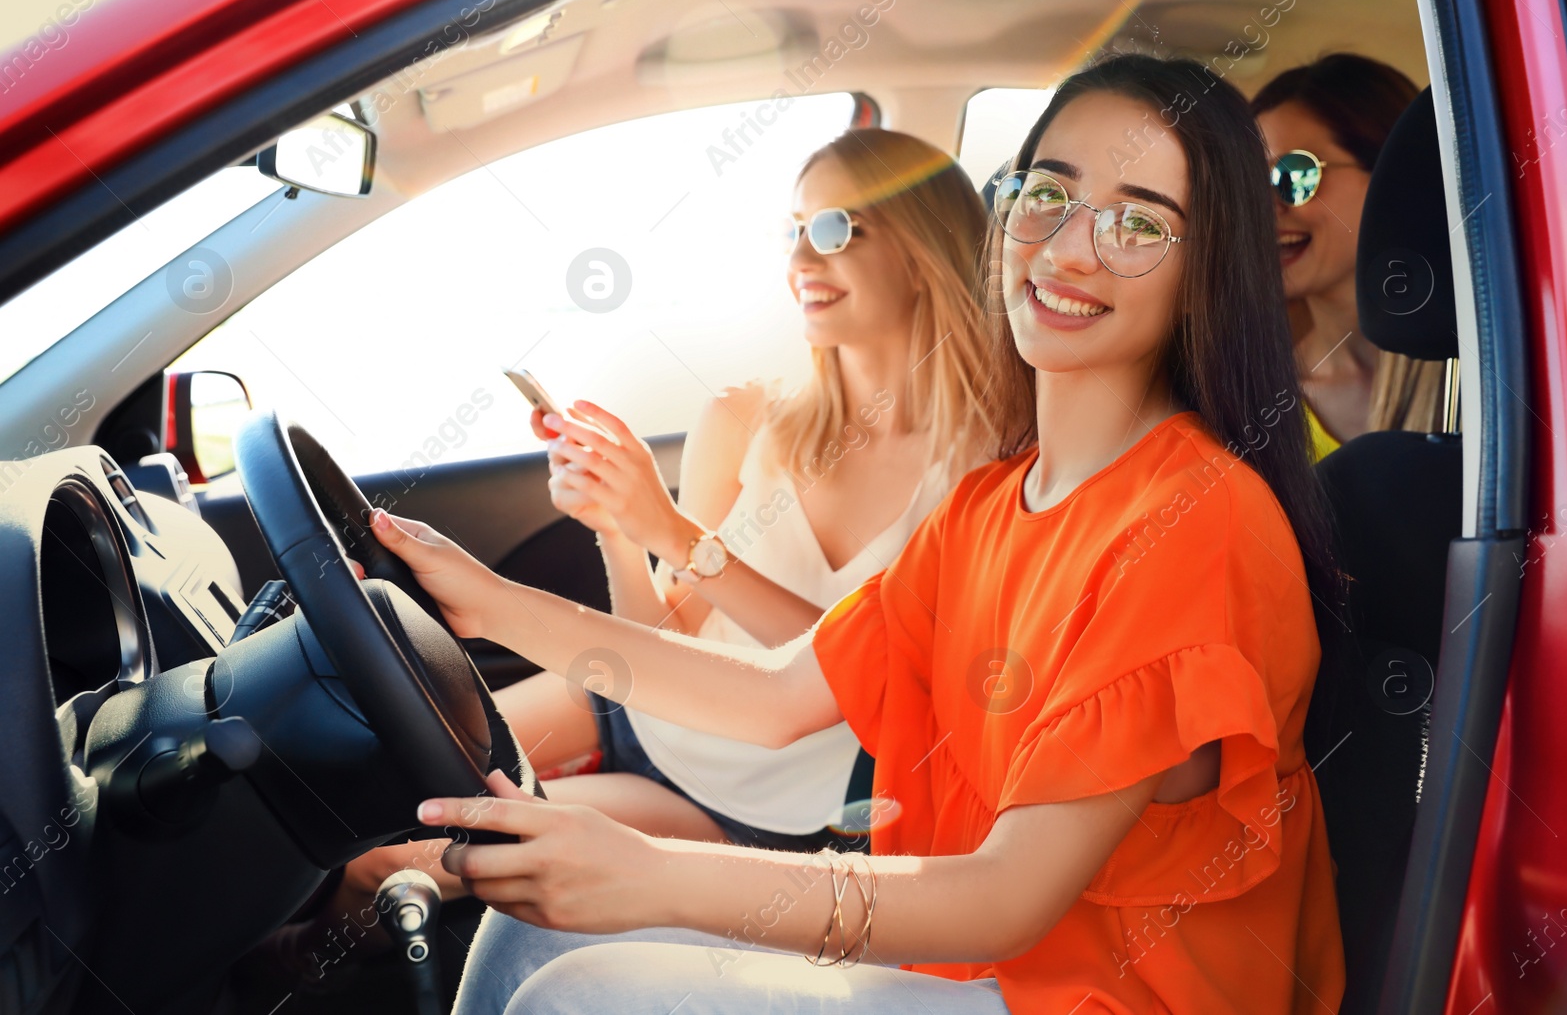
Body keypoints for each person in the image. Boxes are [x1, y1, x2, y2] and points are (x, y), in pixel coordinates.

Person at [367, 53, 1346, 1014]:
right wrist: (484, 599)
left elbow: (1004, 899)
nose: (1067, 248)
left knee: (579, 993)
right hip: (976, 970)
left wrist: (654, 875)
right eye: (1047, 193)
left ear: (1205, 267)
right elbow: (774, 694)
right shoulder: (991, 504)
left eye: (1137, 222)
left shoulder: (1193, 521)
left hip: (1093, 993)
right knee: (530, 927)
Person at [337, 129, 998, 922]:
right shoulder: (743, 414)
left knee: (401, 857)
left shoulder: (984, 477)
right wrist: (618, 525)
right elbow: (660, 631)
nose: (800, 261)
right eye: (792, 231)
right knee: (369, 790)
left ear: (926, 249)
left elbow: (866, 684)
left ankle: (300, 966)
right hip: (631, 704)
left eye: (834, 230)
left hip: (745, 805)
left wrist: (674, 531)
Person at [1252, 53, 1442, 458]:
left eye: (1294, 175)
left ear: (1390, 176)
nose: (1265, 207)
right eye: (1248, 184)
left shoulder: (1489, 372)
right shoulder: (1250, 401)